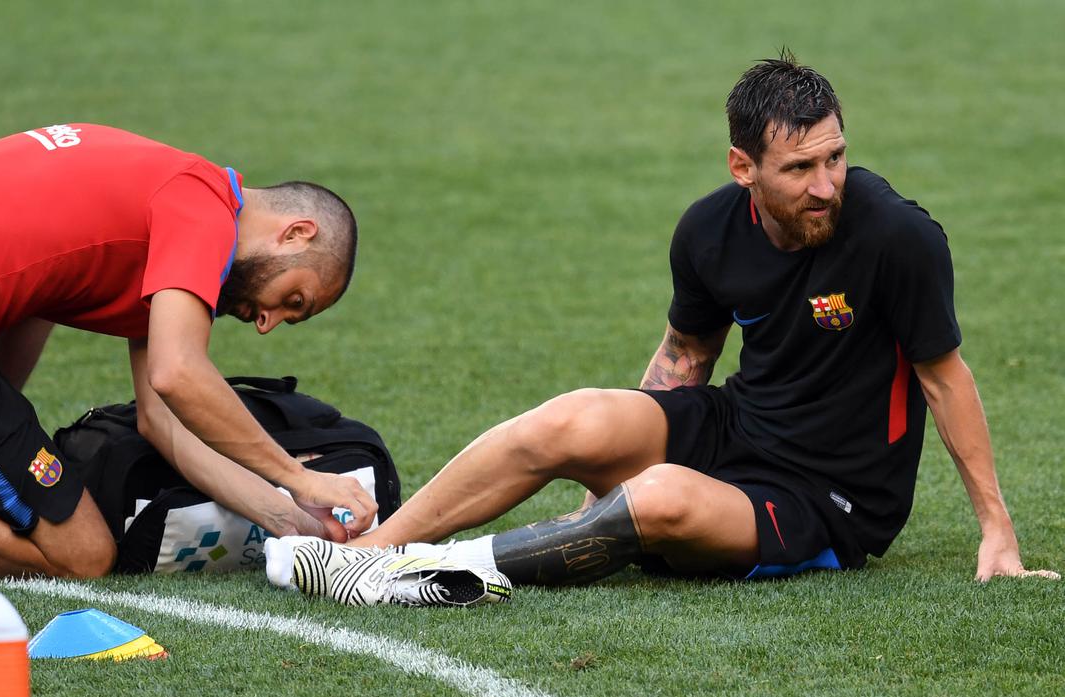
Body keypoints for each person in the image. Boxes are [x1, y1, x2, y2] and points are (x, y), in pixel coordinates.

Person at [266, 52, 1056, 605]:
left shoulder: (894, 235)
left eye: (835, 158)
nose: (825, 185)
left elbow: (943, 377)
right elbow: (684, 359)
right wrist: (604, 455)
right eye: (799, 170)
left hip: (829, 496)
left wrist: (997, 531)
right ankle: (373, 553)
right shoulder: (709, 231)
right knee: (574, 416)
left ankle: (425, 571)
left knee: (659, 498)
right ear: (741, 168)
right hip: (738, 426)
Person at [0, 123, 378, 579]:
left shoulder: (183, 194)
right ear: (296, 234)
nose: (267, 324)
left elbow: (163, 423)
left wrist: (289, 519)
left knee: (32, 325)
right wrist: (298, 475)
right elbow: (177, 373)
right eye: (294, 301)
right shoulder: (203, 215)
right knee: (83, 555)